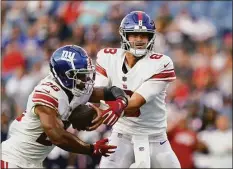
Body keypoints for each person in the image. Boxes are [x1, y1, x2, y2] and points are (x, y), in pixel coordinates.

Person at [1, 45, 128, 168]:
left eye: (86, 74)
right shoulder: (47, 93)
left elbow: (110, 91)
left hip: (33, 162)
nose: (85, 79)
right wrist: (91, 148)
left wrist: (120, 102)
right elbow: (57, 136)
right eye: (80, 75)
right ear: (64, 75)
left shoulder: (74, 88)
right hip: (13, 158)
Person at [95, 11, 181, 168]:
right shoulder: (107, 57)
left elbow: (136, 101)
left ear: (151, 37)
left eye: (144, 35)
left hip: (155, 138)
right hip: (121, 135)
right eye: (134, 35)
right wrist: (92, 113)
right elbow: (97, 93)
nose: (139, 40)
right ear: (124, 36)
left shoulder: (161, 63)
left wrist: (115, 106)